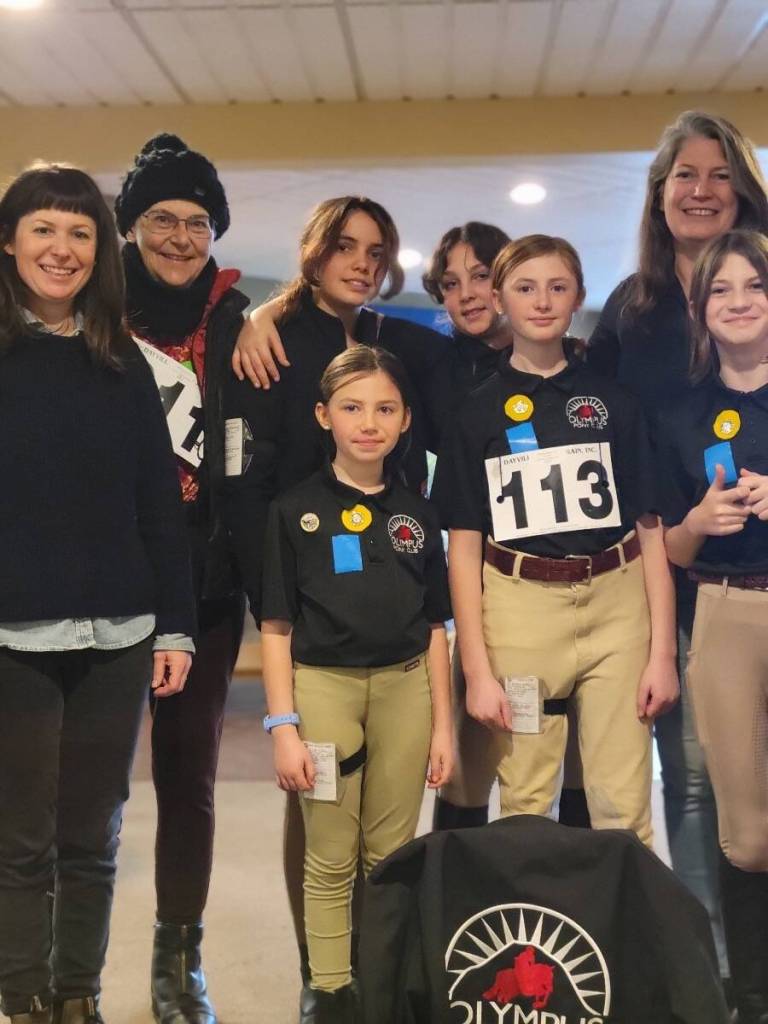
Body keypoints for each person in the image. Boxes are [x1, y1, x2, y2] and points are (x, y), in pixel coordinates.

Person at [220, 195, 447, 1021]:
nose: (361, 261)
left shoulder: (384, 337)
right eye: (345, 247)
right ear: (315, 253)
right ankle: (326, 979)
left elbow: (456, 365)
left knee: (382, 833)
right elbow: (253, 477)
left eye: (376, 250)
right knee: (319, 819)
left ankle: (376, 969)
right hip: (305, 586)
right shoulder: (278, 337)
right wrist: (272, 590)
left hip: (387, 595)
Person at [0, 164, 195, 1024]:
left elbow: (160, 506)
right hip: (13, 636)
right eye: (44, 228)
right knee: (21, 841)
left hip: (119, 633)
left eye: (81, 233)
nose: (62, 248)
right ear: (9, 242)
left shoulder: (124, 368)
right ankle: (21, 997)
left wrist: (176, 631)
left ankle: (78, 995)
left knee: (95, 836)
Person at [587, 110, 768, 981]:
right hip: (677, 582)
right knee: (698, 788)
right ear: (660, 199)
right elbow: (574, 406)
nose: (701, 190)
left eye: (718, 172)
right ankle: (715, 972)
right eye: (683, 176)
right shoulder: (632, 310)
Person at [435, 233, 679, 845]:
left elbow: (650, 530)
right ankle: (532, 942)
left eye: (557, 287)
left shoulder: (615, 405)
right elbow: (463, 548)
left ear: (578, 299)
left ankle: (626, 941)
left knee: (624, 806)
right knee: (524, 799)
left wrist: (662, 654)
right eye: (524, 287)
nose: (541, 301)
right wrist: (477, 666)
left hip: (616, 606)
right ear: (499, 299)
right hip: (519, 609)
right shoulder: (475, 413)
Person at [259, 345, 453, 1023]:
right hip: (323, 694)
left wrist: (445, 727)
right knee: (331, 854)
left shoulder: (419, 516)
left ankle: (384, 983)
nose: (368, 422)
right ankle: (332, 992)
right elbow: (277, 629)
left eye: (384, 408)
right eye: (351, 407)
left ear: (404, 423)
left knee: (391, 854)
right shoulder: (293, 512)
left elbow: (435, 628)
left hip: (406, 693)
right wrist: (282, 727)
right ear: (323, 415)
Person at [113, 133, 250, 1024]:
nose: (177, 236)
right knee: (76, 780)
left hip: (204, 590)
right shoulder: (86, 313)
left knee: (189, 775)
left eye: (195, 221)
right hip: (100, 579)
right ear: (129, 226)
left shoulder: (244, 322)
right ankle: (58, 951)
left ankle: (177, 958)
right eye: (160, 217)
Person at [659, 229, 768, 1024]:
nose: (738, 302)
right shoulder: (681, 411)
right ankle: (752, 992)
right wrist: (699, 518)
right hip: (723, 611)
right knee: (747, 831)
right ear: (701, 311)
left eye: (753, 286)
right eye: (721, 290)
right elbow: (666, 543)